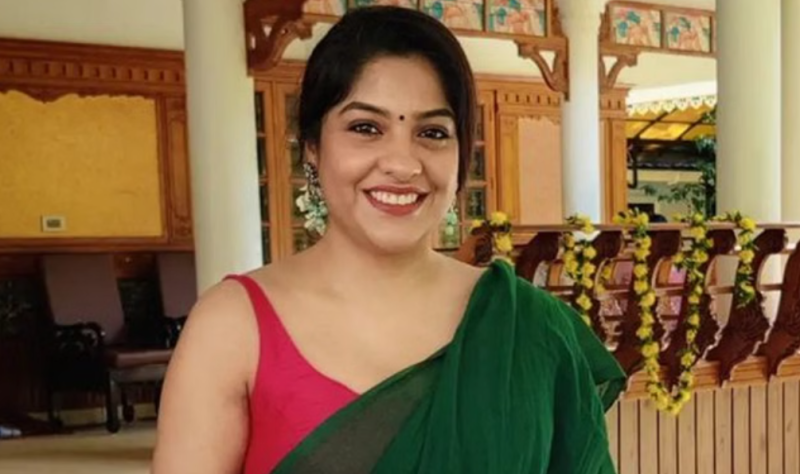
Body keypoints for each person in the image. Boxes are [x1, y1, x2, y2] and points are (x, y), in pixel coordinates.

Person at [152, 6, 626, 474]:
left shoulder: (531, 327)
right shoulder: (232, 328)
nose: (402, 164)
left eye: (432, 133)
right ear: (312, 147)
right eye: (366, 128)